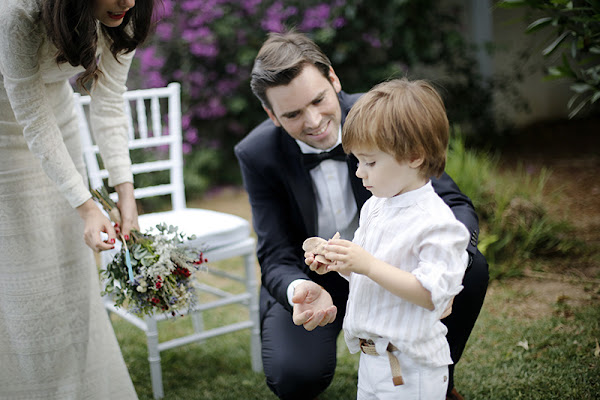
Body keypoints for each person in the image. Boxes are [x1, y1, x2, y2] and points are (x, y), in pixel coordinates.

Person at [234, 31, 489, 400]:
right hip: (317, 278)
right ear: (272, 115)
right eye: (292, 114)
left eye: (318, 100)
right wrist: (298, 288)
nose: (314, 121)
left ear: (333, 79)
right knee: (294, 376)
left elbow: (454, 204)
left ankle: (438, 381)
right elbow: (274, 253)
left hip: (396, 267)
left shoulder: (381, 119)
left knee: (472, 268)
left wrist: (448, 266)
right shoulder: (257, 154)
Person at [0, 0, 156, 398]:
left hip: (59, 118)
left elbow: (109, 101)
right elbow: (30, 116)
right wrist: (86, 207)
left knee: (73, 271)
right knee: (25, 279)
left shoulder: (124, 12)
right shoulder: (18, 12)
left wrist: (126, 195)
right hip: (6, 130)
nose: (128, 2)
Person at [305, 78, 470, 399]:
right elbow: (372, 275)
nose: (359, 172)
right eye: (357, 161)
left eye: (370, 162)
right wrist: (342, 264)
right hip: (372, 359)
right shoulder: (376, 206)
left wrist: (366, 264)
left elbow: (430, 294)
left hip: (411, 366)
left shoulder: (437, 223)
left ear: (414, 157)